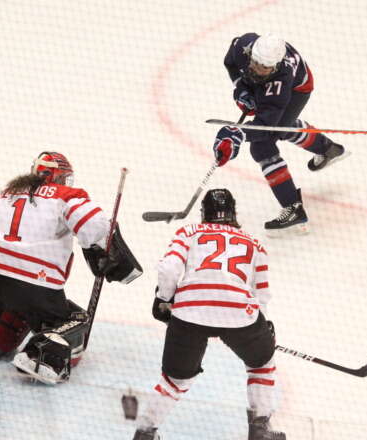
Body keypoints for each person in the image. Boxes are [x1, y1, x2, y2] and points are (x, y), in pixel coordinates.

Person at [133, 188, 284, 440]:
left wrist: (163, 299)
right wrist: (263, 324)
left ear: (204, 214)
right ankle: (260, 431)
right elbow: (262, 293)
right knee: (261, 365)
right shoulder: (254, 243)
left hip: (190, 310)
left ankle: (146, 433)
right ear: (233, 213)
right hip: (240, 313)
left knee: (175, 381)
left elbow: (169, 269)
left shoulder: (189, 232)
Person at [0, 151, 142, 384]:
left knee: (19, 303)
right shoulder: (67, 195)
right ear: (59, 176)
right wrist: (107, 254)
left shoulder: (6, 193)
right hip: (36, 281)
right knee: (75, 318)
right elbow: (96, 227)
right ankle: (40, 357)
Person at [213, 32, 349, 236]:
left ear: (275, 65)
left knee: (264, 144)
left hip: (297, 89)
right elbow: (230, 62)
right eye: (256, 63)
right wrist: (241, 88)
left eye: (265, 67)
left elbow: (264, 127)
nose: (259, 70)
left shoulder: (280, 81)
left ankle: (293, 209)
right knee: (281, 127)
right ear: (251, 54)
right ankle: (327, 148)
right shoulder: (242, 44)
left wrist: (237, 134)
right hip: (274, 89)